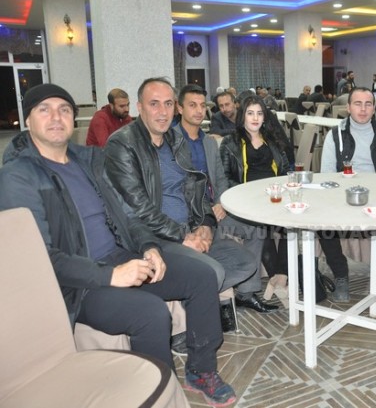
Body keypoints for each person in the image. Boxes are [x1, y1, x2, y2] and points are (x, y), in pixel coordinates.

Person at [0, 83, 237, 406]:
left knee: (201, 276)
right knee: (151, 313)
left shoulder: (88, 161)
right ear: (28, 119)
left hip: (120, 256)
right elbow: (40, 260)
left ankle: (201, 370)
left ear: (73, 119)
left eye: (64, 109)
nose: (56, 117)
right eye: (45, 110)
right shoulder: (18, 177)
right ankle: (162, 396)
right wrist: (111, 275)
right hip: (78, 286)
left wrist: (148, 247)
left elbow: (127, 214)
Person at [104, 78, 277, 321]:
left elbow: (196, 186)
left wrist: (205, 222)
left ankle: (199, 293)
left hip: (190, 228)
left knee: (245, 263)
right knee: (212, 273)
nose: (162, 111)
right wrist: (184, 237)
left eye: (167, 104)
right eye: (154, 104)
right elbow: (137, 207)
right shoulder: (122, 144)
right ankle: (192, 310)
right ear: (139, 107)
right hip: (153, 238)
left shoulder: (176, 141)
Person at [174, 84, 273, 329]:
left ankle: (246, 292)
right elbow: (176, 188)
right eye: (192, 105)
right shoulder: (171, 142)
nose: (199, 111)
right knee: (218, 239)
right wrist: (207, 213)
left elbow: (219, 178)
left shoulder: (208, 142)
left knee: (256, 226)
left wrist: (220, 202)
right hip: (189, 216)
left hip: (214, 209)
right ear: (179, 108)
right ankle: (213, 296)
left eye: (202, 106)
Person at [320, 87, 376, 304]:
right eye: (358, 104)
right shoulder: (335, 134)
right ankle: (341, 275)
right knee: (321, 223)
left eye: (368, 104)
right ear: (348, 107)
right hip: (343, 195)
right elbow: (327, 174)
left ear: (374, 108)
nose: (363, 109)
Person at [219, 95, 292, 304]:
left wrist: (282, 188)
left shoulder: (272, 140)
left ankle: (280, 276)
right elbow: (224, 177)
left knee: (292, 223)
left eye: (259, 113)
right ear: (242, 115)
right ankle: (276, 277)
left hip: (275, 196)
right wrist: (248, 193)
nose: (255, 118)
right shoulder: (230, 143)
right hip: (246, 201)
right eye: (250, 113)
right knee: (261, 227)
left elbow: (285, 170)